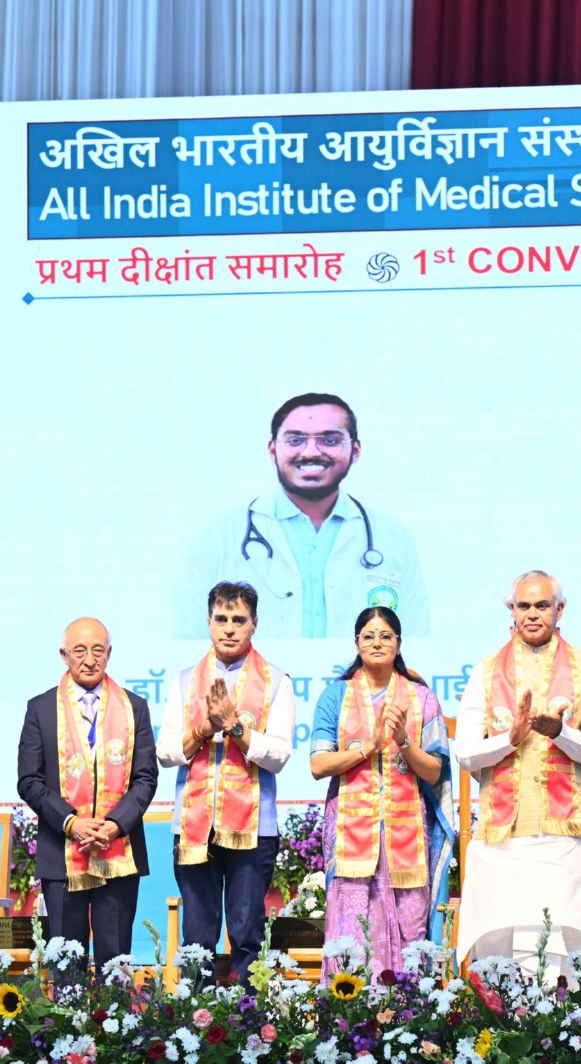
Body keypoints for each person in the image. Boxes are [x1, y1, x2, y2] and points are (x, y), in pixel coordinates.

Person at [453, 571, 581, 975]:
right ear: (512, 609)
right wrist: (510, 739)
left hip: (565, 835)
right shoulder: (486, 670)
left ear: (560, 610)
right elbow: (466, 754)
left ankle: (558, 1015)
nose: (533, 614)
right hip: (503, 836)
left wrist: (560, 732)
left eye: (542, 605)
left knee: (560, 945)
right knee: (503, 951)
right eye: (524, 606)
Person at [173, 393, 428, 638]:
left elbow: (416, 640)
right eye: (295, 440)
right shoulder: (218, 537)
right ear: (272, 450)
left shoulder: (393, 538)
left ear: (356, 450)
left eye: (330, 440)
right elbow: (189, 641)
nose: (310, 452)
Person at [156, 581, 294, 978]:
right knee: (198, 934)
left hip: (254, 828)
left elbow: (279, 756)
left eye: (239, 620)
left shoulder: (277, 682)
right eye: (221, 619)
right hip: (194, 826)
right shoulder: (185, 681)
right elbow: (165, 752)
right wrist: (204, 730)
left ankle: (247, 1012)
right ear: (208, 622)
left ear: (255, 624)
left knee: (247, 931)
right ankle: (196, 1013)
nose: (229, 628)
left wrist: (234, 727)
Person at [309, 606, 454, 976]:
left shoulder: (422, 698)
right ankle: (349, 1005)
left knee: (409, 929)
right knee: (352, 931)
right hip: (350, 833)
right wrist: (368, 748)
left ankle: (407, 1003)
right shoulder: (335, 697)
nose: (377, 642)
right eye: (369, 636)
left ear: (399, 643)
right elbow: (318, 765)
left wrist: (404, 740)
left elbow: (434, 772)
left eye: (386, 636)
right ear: (356, 643)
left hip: (406, 835)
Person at [17, 617, 159, 966]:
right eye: (79, 650)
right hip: (62, 852)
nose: (90, 659)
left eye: (98, 650)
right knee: (67, 966)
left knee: (115, 966)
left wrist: (115, 825)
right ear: (63, 655)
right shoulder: (41, 709)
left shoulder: (134, 707)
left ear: (110, 653)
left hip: (118, 852)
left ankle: (114, 1007)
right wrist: (71, 822)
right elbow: (29, 781)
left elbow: (145, 778)